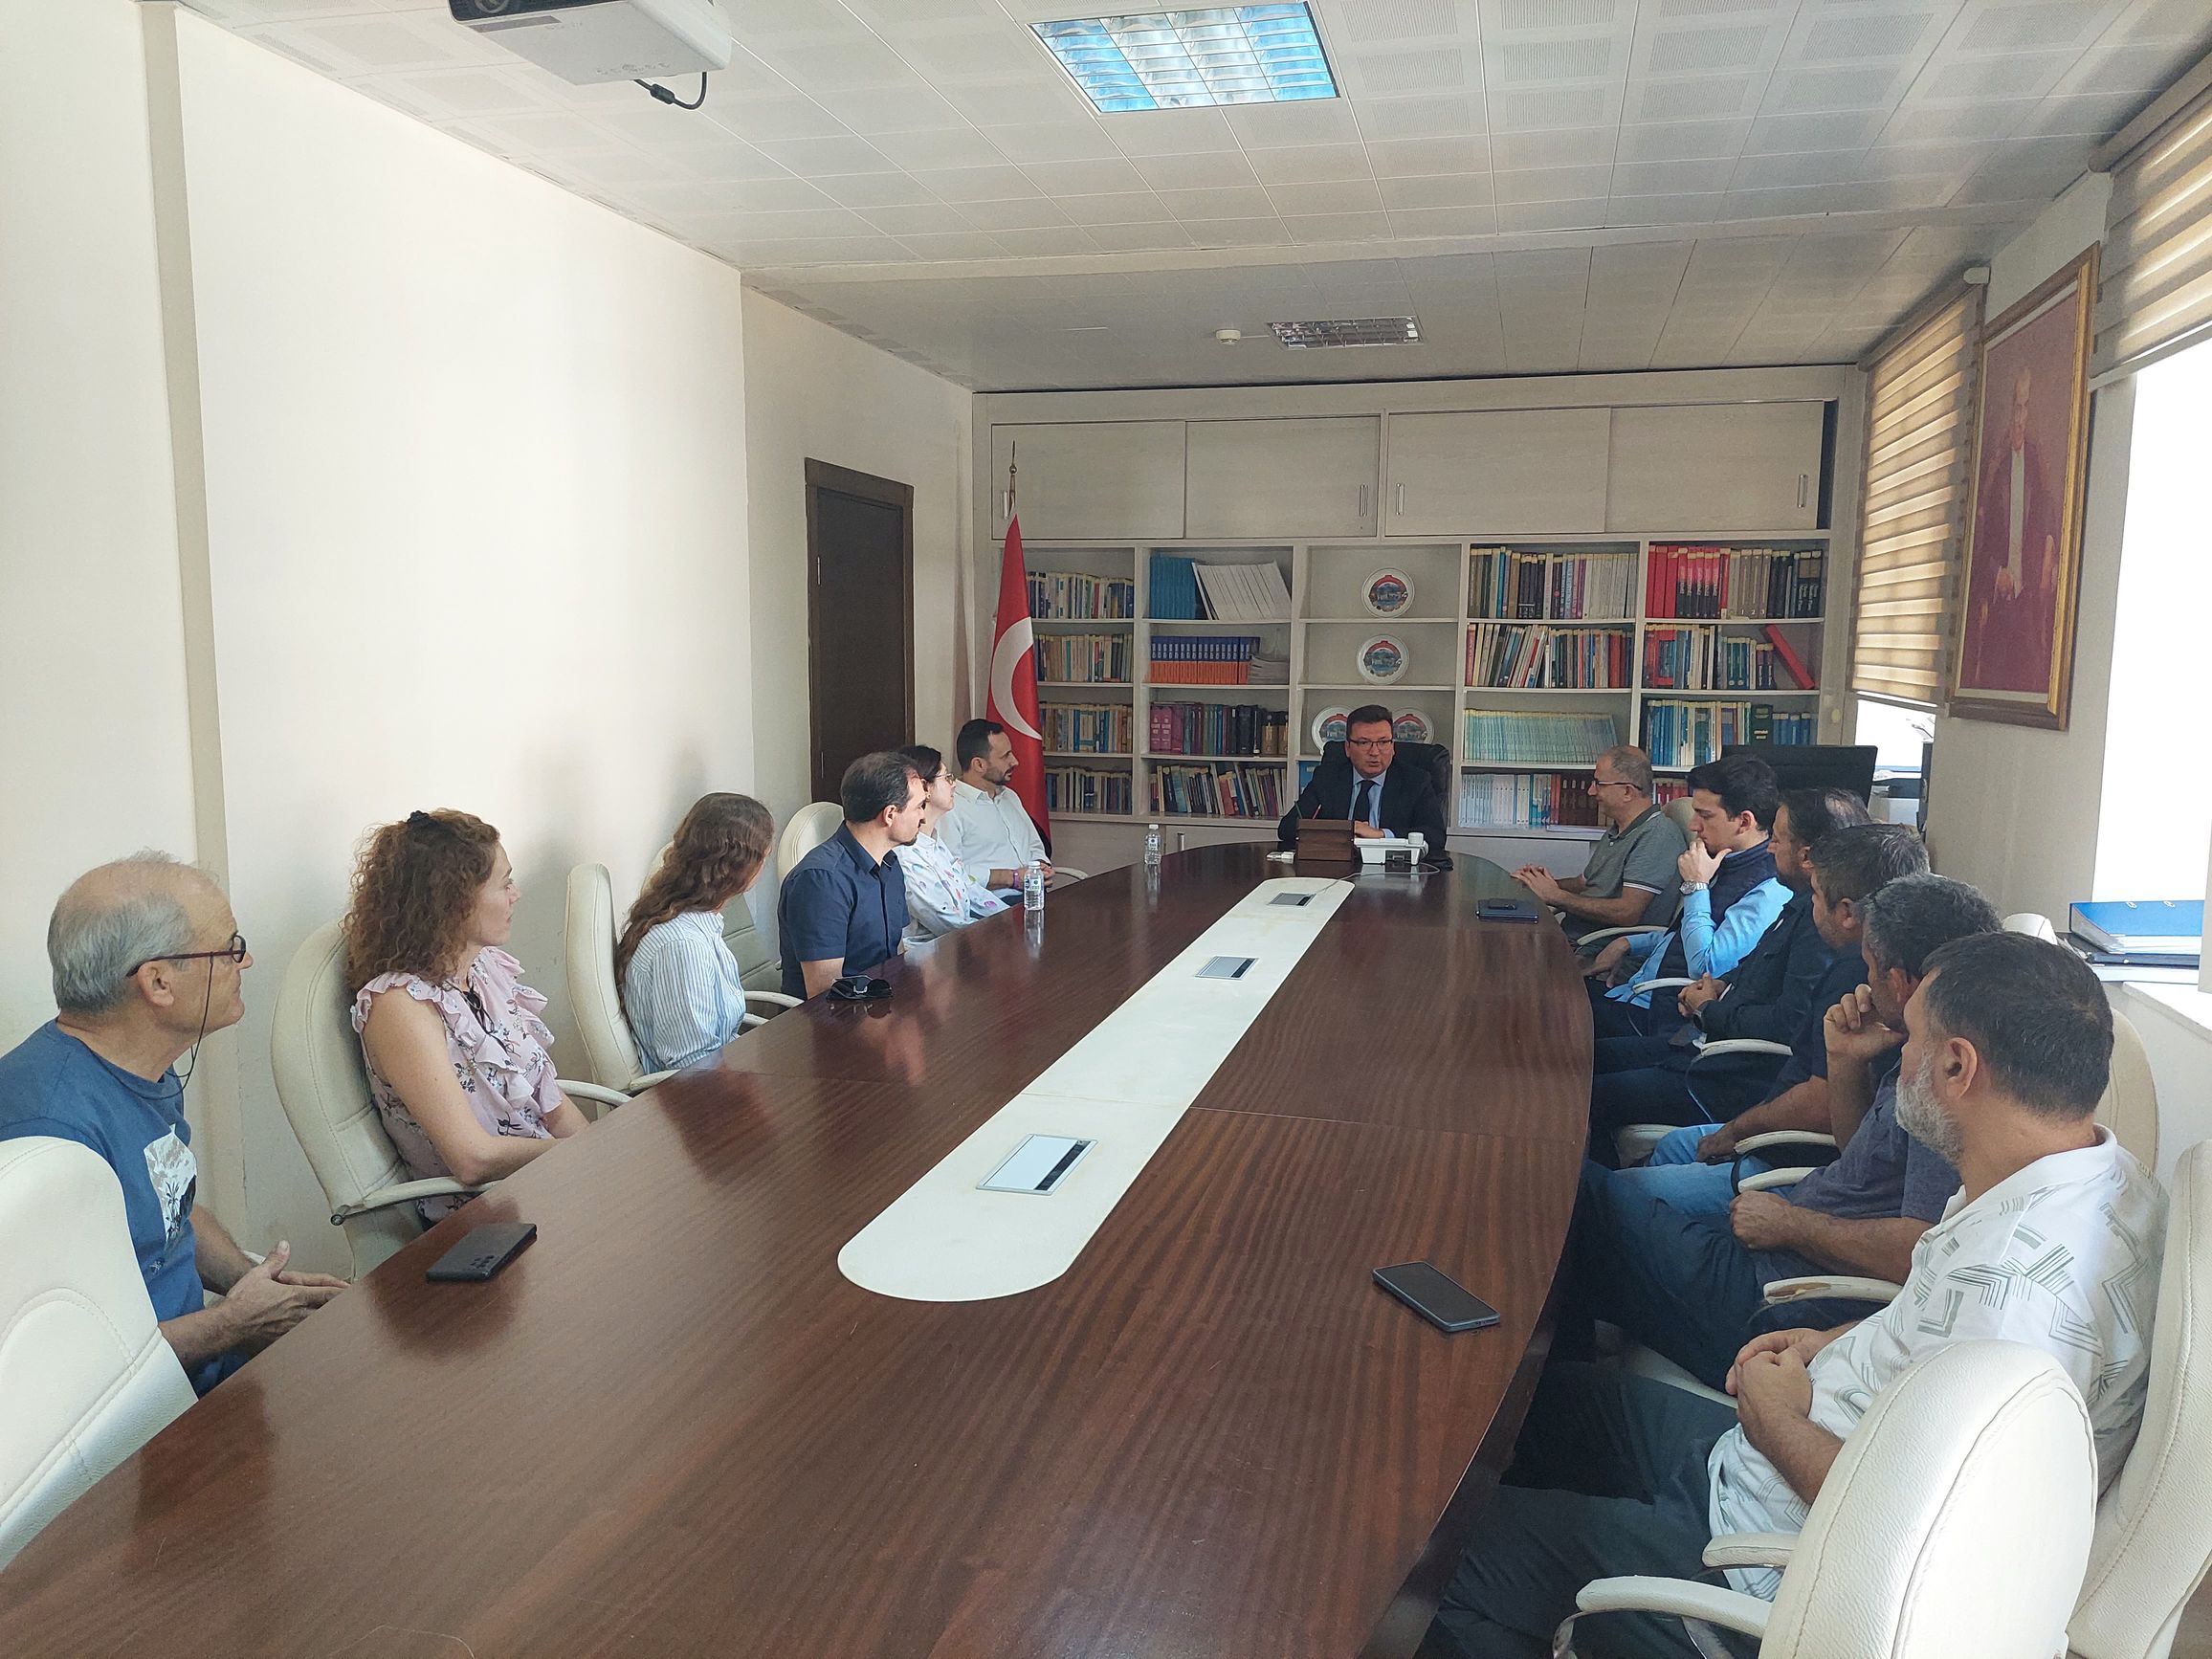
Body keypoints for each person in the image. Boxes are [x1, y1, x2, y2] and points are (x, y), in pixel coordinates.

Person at [1425, 930, 2165, 1659]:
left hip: (1761, 1559)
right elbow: (1932, 1325)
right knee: (1529, 1407)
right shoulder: (2083, 1174)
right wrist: (1826, 1342)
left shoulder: (2016, 1300)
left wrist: (1774, 1415)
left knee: (1432, 1573)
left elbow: (1918, 1537)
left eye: (1911, 1038)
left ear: (1956, 1065)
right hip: (1769, 1458)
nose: (1899, 1055)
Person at [1571, 872, 2003, 1390]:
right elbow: (1858, 1155)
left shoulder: (1947, 1086)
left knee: (1575, 1194)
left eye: (1869, 968)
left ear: (1901, 981)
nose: (1863, 982)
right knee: (1590, 1227)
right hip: (1778, 1248)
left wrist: (1793, 1224)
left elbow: (1921, 1251)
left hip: (1777, 1298)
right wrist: (1845, 1060)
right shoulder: (1918, 1041)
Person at [0, 854, 346, 1394]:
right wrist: (234, 1322)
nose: (246, 961)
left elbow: (172, 1212)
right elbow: (67, 1369)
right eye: (229, 948)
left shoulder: (140, 1063)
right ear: (158, 982)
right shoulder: (51, 1136)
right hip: (137, 1422)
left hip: (199, 1372)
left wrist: (253, 1283)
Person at [1630, 825, 1931, 1195]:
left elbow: (1818, 1104)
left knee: (1621, 1191)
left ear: (1846, 912)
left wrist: (1735, 1131)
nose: (1810, 904)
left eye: (1816, 894)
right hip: (1769, 1120)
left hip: (1783, 1156)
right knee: (1668, 1150)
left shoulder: (1858, 978)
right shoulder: (1843, 948)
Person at [1585, 788, 1873, 1156]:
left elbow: (1789, 1021)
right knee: (1587, 1062)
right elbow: (1753, 966)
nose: (1770, 848)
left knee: (1586, 1093)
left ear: (1806, 856)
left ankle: (1587, 1189)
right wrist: (1722, 985)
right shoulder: (1800, 904)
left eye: (1778, 839)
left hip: (1726, 1076)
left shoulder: (1819, 925)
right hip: (1702, 1046)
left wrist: (1710, 1009)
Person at [347, 811, 590, 1222]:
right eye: (504, 883)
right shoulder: (399, 1006)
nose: (516, 894)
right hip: (489, 1221)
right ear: (455, 901)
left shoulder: (485, 968)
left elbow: (549, 1100)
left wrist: (602, 1155)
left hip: (548, 1186)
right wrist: (579, 1154)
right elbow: (472, 1159)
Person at [1587, 751, 1785, 1037]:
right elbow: (1684, 937)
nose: (1693, 825)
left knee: (1550, 1020)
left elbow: (1706, 968)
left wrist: (1696, 886)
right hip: (1634, 995)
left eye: (1705, 815)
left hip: (1660, 1020)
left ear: (1744, 822)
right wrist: (1629, 942)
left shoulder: (1767, 890)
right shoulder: (1721, 859)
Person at [617, 792, 777, 1073]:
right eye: (764, 856)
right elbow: (693, 1065)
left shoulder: (698, 921)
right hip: (698, 1094)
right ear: (739, 867)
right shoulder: (682, 945)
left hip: (722, 1076)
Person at [778, 750, 926, 999]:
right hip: (837, 1015)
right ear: (890, 814)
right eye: (919, 806)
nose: (923, 816)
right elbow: (825, 993)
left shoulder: (890, 864)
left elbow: (895, 956)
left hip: (881, 1003)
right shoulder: (822, 880)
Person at [1514, 745, 1688, 941]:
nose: (1591, 791)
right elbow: (1584, 883)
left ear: (1627, 792)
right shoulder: (1619, 829)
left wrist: (1556, 896)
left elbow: (1627, 913)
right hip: (1574, 937)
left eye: (1599, 784)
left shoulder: (1656, 836)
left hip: (1599, 947)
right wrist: (1536, 883)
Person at [1963, 364, 2061, 693]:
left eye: (2025, 408)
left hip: (2028, 597)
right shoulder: (1996, 469)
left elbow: (2048, 525)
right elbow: (1978, 540)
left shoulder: (2037, 466)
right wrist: (1997, 574)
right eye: (2016, 408)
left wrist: (2045, 563)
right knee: (1993, 675)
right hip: (1999, 596)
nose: (2019, 418)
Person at [1274, 704, 1451, 865]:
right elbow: (1287, 829)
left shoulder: (1415, 780)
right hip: (1334, 870)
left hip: (1394, 873)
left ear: (1393, 746)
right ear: (1348, 748)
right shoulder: (1328, 778)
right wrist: (1342, 832)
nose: (1374, 752)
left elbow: (1435, 836)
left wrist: (1382, 834)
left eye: (1383, 742)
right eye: (1364, 743)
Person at [894, 743, 1008, 940]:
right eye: (947, 778)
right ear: (924, 788)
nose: (954, 784)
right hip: (929, 955)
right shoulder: (905, 855)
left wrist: (1014, 918)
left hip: (960, 946)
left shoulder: (934, 841)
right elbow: (949, 924)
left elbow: (971, 891)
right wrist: (1005, 931)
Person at [940, 719, 1051, 892]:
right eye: (1005, 756)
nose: (1015, 762)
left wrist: (1041, 866)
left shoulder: (1010, 797)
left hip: (1031, 896)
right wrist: (1011, 878)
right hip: (990, 903)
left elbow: (1034, 846)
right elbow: (949, 872)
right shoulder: (950, 807)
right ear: (979, 765)